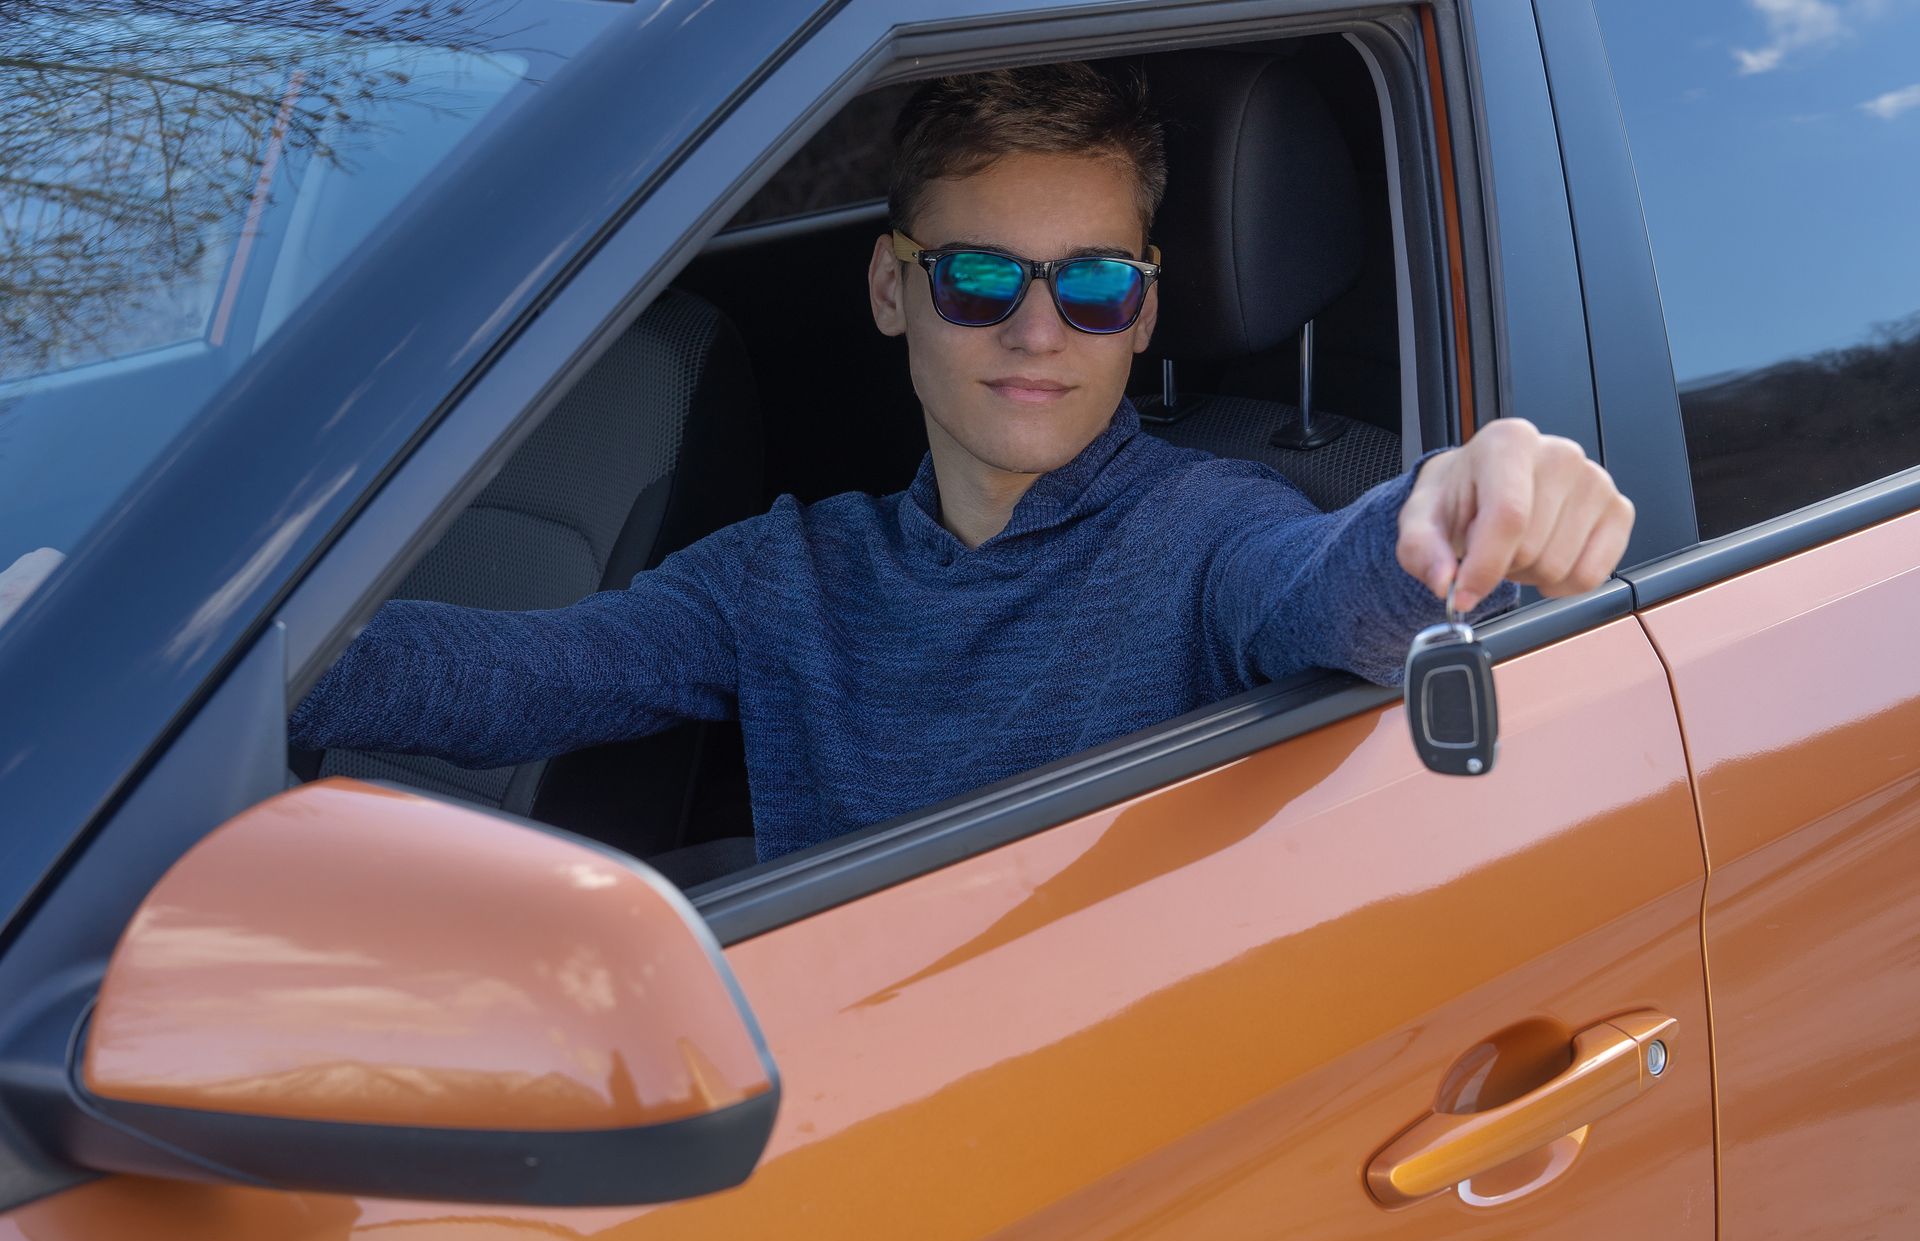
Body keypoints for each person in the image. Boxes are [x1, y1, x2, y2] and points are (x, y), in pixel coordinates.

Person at [290, 63, 1633, 865]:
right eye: (981, 277)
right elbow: (521, 678)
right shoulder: (788, 574)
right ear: (891, 288)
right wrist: (232, 657)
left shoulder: (1211, 531)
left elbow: (1327, 590)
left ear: (1146, 309)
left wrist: (1454, 500)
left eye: (1096, 284)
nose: (1039, 328)